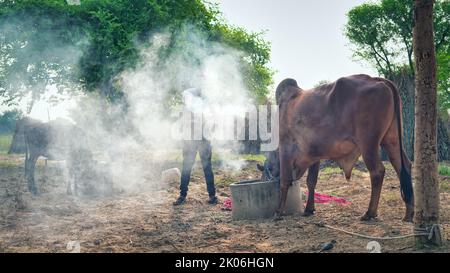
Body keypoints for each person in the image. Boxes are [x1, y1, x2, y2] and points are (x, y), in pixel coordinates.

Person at [173, 88, 218, 206]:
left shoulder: (205, 107)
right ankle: (182, 195)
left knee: (207, 168)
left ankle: (212, 196)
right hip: (190, 141)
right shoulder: (186, 109)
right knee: (186, 168)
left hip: (204, 140)